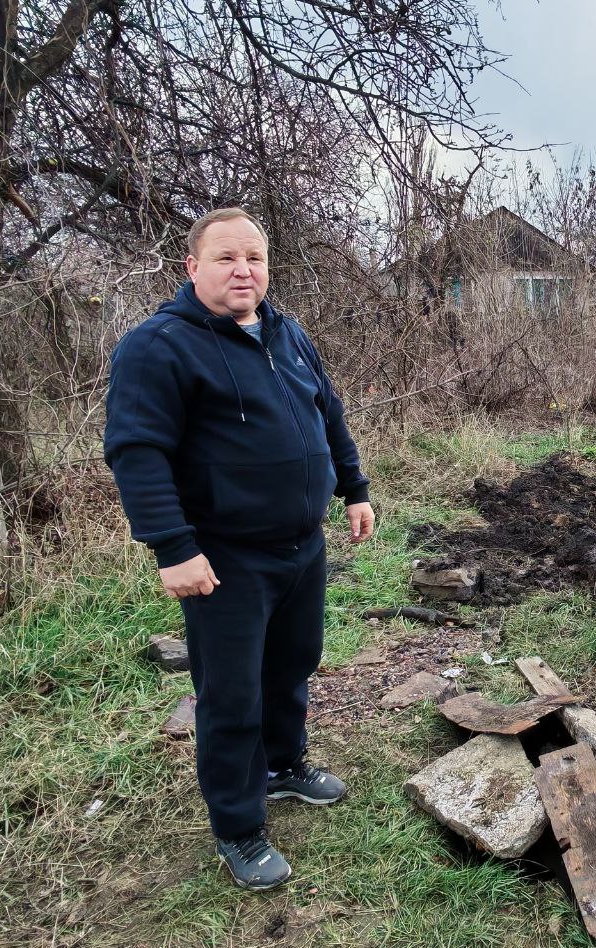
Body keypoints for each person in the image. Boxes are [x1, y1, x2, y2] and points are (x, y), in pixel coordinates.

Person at [103, 207, 375, 890]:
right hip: (224, 558)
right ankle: (238, 826)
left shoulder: (288, 333)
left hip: (301, 546)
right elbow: (137, 451)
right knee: (230, 695)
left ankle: (283, 765)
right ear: (192, 266)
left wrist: (354, 488)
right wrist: (173, 547)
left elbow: (328, 414)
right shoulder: (158, 347)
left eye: (254, 257)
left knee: (292, 664)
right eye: (226, 258)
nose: (243, 270)